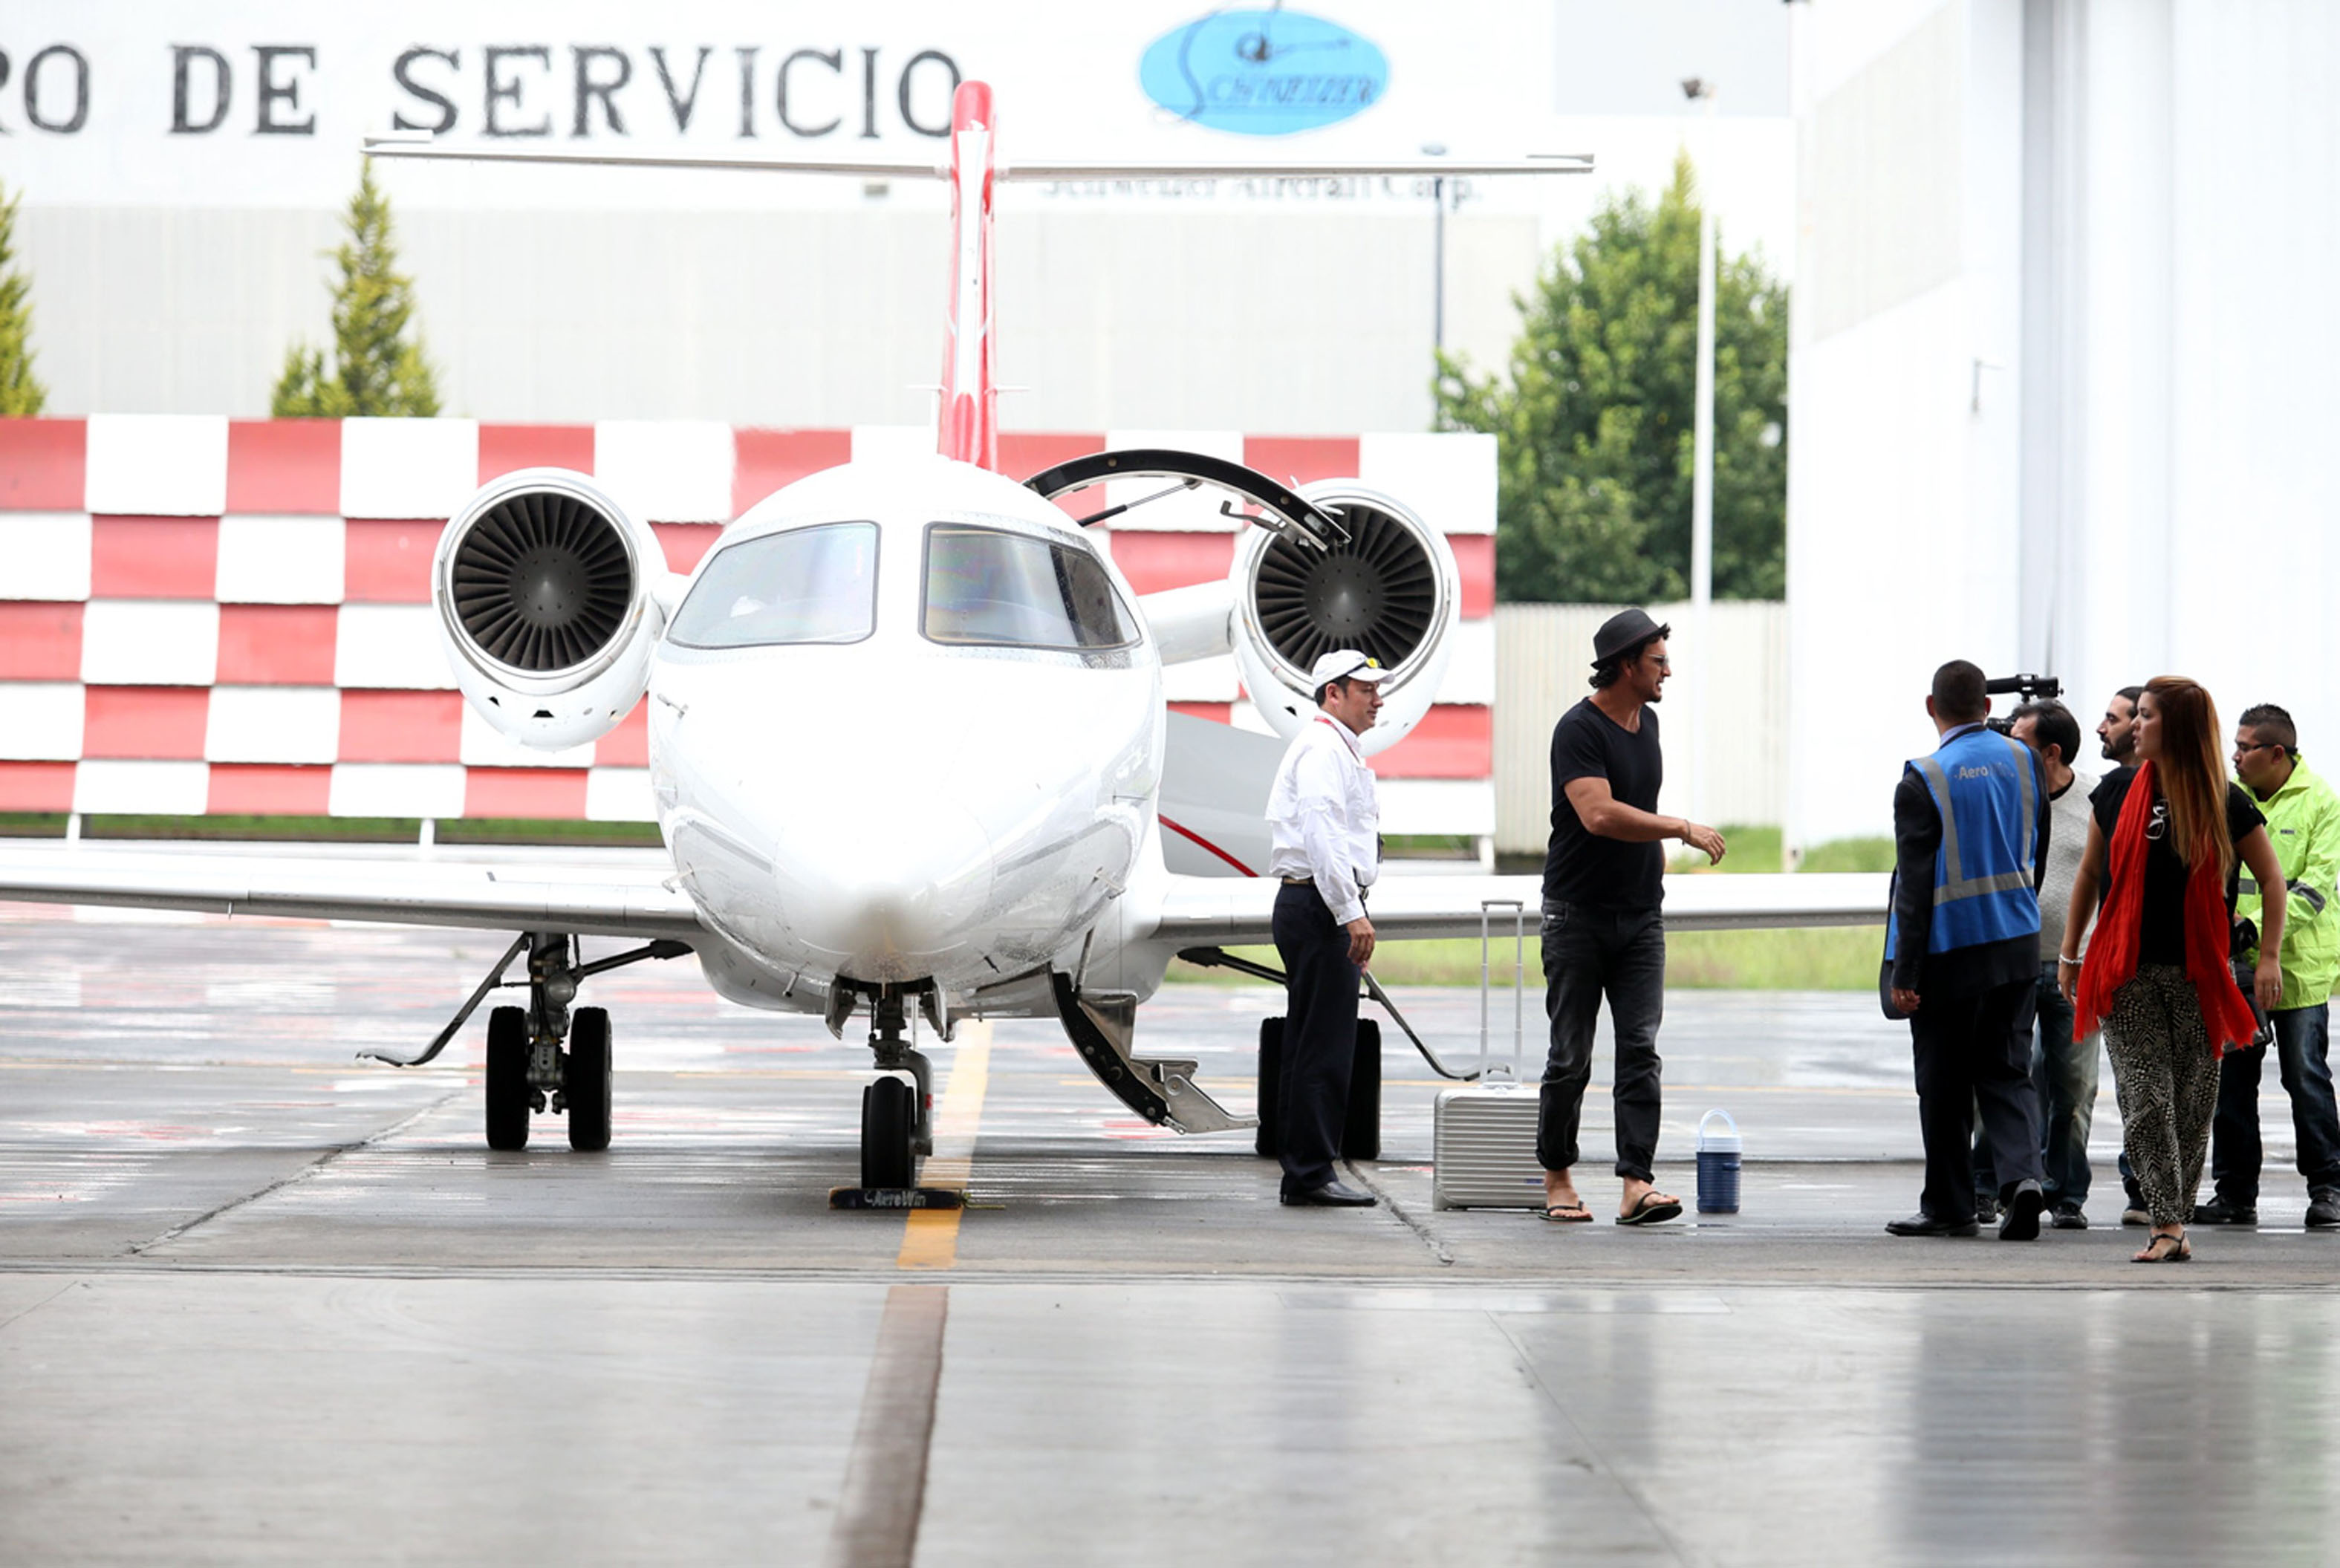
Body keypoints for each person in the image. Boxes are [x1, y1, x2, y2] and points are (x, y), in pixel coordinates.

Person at [2061, 677, 2287, 1262]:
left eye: (2148, 715)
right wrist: (2070, 953)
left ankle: (2175, 1219)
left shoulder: (2225, 800)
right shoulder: (2113, 792)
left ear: (2178, 727)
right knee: (2145, 1098)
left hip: (2198, 973)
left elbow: (2271, 879)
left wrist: (2266, 959)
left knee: (2191, 1104)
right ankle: (2165, 1221)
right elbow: (2088, 875)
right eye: (2137, 714)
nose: (2136, 723)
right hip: (2125, 971)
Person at [1535, 608, 1725, 1227]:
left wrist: (1655, 865)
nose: (1668, 670)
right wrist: (1681, 828)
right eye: (1657, 661)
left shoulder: (1650, 724)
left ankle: (1635, 1183)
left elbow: (1633, 808)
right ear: (1624, 665)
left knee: (1640, 1050)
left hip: (1641, 918)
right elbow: (1600, 814)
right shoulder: (1578, 730)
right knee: (1571, 1055)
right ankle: (1558, 1176)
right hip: (1577, 916)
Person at [1883, 660, 2052, 1240]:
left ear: (1933, 706)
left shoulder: (1924, 778)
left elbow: (1914, 888)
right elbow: (2040, 849)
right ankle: (2023, 1180)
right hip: (2017, 942)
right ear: (1986, 705)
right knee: (2007, 1070)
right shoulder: (2026, 759)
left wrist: (1905, 972)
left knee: (1944, 1082)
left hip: (1950, 953)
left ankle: (1951, 1205)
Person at [2196, 703, 2340, 1229]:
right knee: (2232, 1083)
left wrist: (2253, 927)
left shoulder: (2321, 803)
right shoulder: (2224, 799)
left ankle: (2328, 1186)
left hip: (2297, 966)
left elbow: (2314, 888)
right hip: (2235, 966)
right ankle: (2235, 1192)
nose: (2233, 756)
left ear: (2276, 753)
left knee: (2305, 1077)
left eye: (2244, 748)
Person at [1264, 648, 1391, 1208]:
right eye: (1365, 690)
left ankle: (1304, 1168)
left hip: (1314, 905)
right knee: (1325, 1046)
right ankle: (1312, 1171)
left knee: (1309, 1041)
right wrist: (1350, 912)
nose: (1378, 699)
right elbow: (1324, 836)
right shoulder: (1321, 750)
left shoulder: (1334, 747)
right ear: (1333, 693)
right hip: (1319, 908)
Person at [1969, 700, 2101, 1228]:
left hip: (2077, 965)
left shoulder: (2097, 797)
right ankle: (1988, 1184)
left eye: (2018, 739)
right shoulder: (2005, 791)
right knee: (2001, 1077)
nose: (2006, 746)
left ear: (2050, 752)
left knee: (2072, 1086)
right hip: (2012, 962)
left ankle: (2066, 1194)